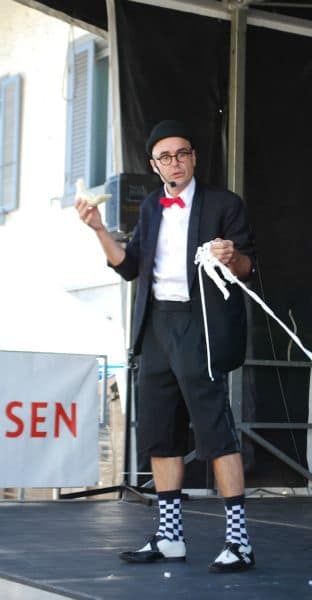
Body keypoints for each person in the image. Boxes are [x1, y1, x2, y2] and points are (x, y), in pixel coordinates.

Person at [75, 119, 256, 573]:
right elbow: (129, 266)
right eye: (165, 157)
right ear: (154, 165)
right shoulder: (152, 206)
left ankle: (239, 541)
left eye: (182, 153)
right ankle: (170, 536)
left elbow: (248, 266)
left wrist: (232, 256)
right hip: (156, 326)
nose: (175, 163)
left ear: (194, 158)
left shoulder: (224, 204)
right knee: (160, 433)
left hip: (200, 323)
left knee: (215, 430)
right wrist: (98, 229)